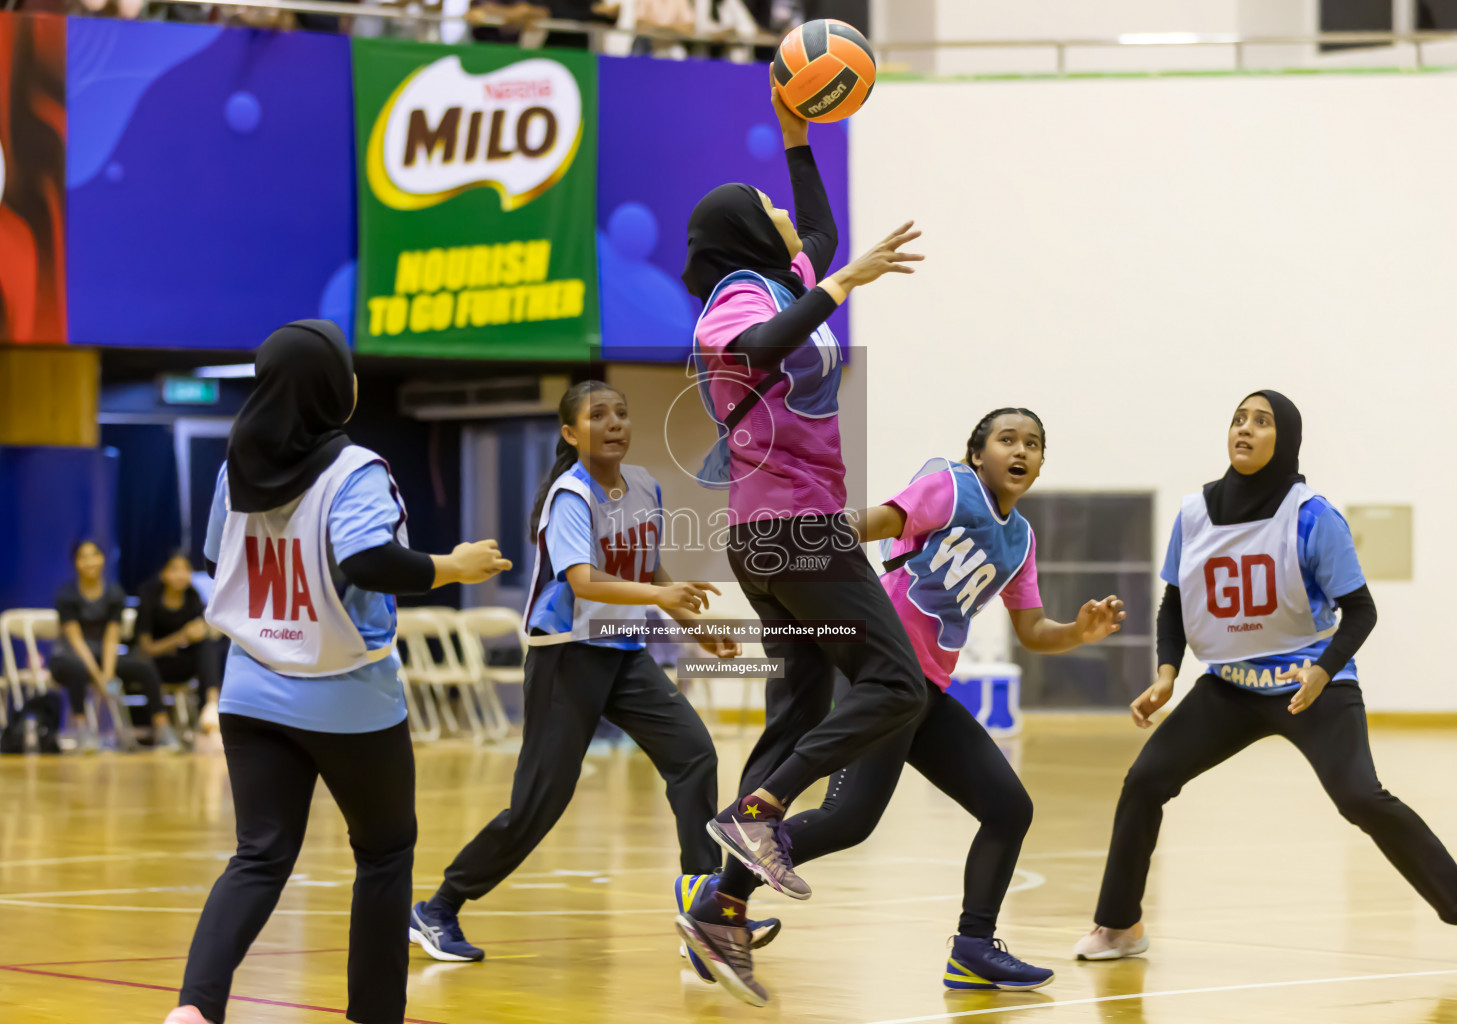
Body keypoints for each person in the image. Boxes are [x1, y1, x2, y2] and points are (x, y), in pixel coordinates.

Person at [675, 409, 1125, 999]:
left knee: (1008, 808)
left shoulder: (1021, 540)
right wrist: (805, 547)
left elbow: (1034, 629)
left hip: (925, 694)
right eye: (1006, 439)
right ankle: (717, 902)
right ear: (977, 454)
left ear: (1041, 464)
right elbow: (875, 522)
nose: (1020, 450)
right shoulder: (951, 485)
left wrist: (1079, 633)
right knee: (848, 821)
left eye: (1033, 444)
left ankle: (972, 950)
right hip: (879, 684)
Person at [163, 320, 511, 1024]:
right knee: (384, 855)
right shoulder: (354, 469)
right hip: (346, 693)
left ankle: (194, 1011)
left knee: (259, 856)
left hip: (251, 688)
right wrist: (453, 566)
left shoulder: (236, 468)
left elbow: (214, 562)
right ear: (335, 390)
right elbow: (366, 561)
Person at [673, 78, 927, 1004]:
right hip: (793, 536)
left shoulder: (775, 276)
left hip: (784, 536)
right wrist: (844, 285)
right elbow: (775, 339)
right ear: (742, 233)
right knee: (895, 685)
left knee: (795, 715)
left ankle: (718, 910)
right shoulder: (732, 307)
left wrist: (796, 141)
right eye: (770, 209)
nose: (790, 218)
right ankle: (761, 811)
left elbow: (816, 238)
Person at [1074, 390, 1457, 962]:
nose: (1245, 429)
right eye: (1238, 419)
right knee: (1144, 782)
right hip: (1229, 686)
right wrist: (1166, 675)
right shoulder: (1193, 514)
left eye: (1262, 421)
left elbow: (1362, 611)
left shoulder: (1312, 517)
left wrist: (1325, 673)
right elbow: (1174, 604)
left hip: (1310, 684)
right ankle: (1119, 926)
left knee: (1360, 797)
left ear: (1288, 440)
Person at [408, 380, 771, 963]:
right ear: (572, 433)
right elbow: (585, 581)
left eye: (622, 413)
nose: (616, 423)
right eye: (598, 415)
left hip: (623, 651)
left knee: (694, 753)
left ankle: (702, 905)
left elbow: (647, 568)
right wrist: (662, 595)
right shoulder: (570, 496)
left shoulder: (645, 485)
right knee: (539, 805)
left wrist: (690, 621)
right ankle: (437, 909)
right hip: (567, 654)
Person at [50, 540, 178, 753]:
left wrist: (107, 674)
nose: (90, 562)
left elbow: (111, 638)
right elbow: (76, 641)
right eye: (83, 557)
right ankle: (83, 732)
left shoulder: (114, 594)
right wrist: (99, 677)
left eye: (94, 555)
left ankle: (163, 729)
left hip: (103, 657)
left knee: (144, 668)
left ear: (103, 559)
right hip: (69, 657)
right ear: (75, 563)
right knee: (78, 670)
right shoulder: (67, 595)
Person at [136, 550, 225, 727]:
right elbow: (146, 649)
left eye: (186, 569)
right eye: (174, 569)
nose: (181, 575)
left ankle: (211, 705)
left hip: (184, 663)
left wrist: (206, 630)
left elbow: (208, 631)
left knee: (210, 646)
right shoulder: (149, 599)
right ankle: (162, 726)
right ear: (163, 573)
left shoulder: (193, 597)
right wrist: (181, 636)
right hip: (156, 665)